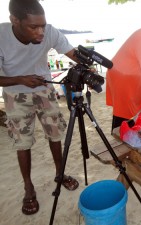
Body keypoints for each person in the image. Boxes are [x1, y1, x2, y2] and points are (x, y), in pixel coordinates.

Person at [0, 0, 80, 215]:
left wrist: (88, 63)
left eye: (42, 26)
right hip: (14, 94)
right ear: (14, 21)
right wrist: (21, 79)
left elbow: (73, 53)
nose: (40, 32)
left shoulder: (49, 32)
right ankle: (28, 187)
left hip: (44, 90)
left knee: (55, 136)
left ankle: (60, 173)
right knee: (22, 143)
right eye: (33, 27)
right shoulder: (1, 36)